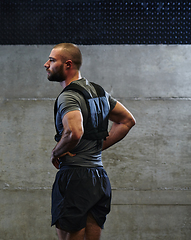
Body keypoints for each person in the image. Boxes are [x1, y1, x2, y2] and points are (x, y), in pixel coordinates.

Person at [44, 43, 136, 240]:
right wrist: (97, 149)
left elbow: (74, 132)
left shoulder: (68, 96)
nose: (46, 64)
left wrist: (55, 152)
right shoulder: (98, 92)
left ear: (67, 64)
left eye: (52, 60)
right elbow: (127, 121)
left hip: (74, 178)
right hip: (99, 178)